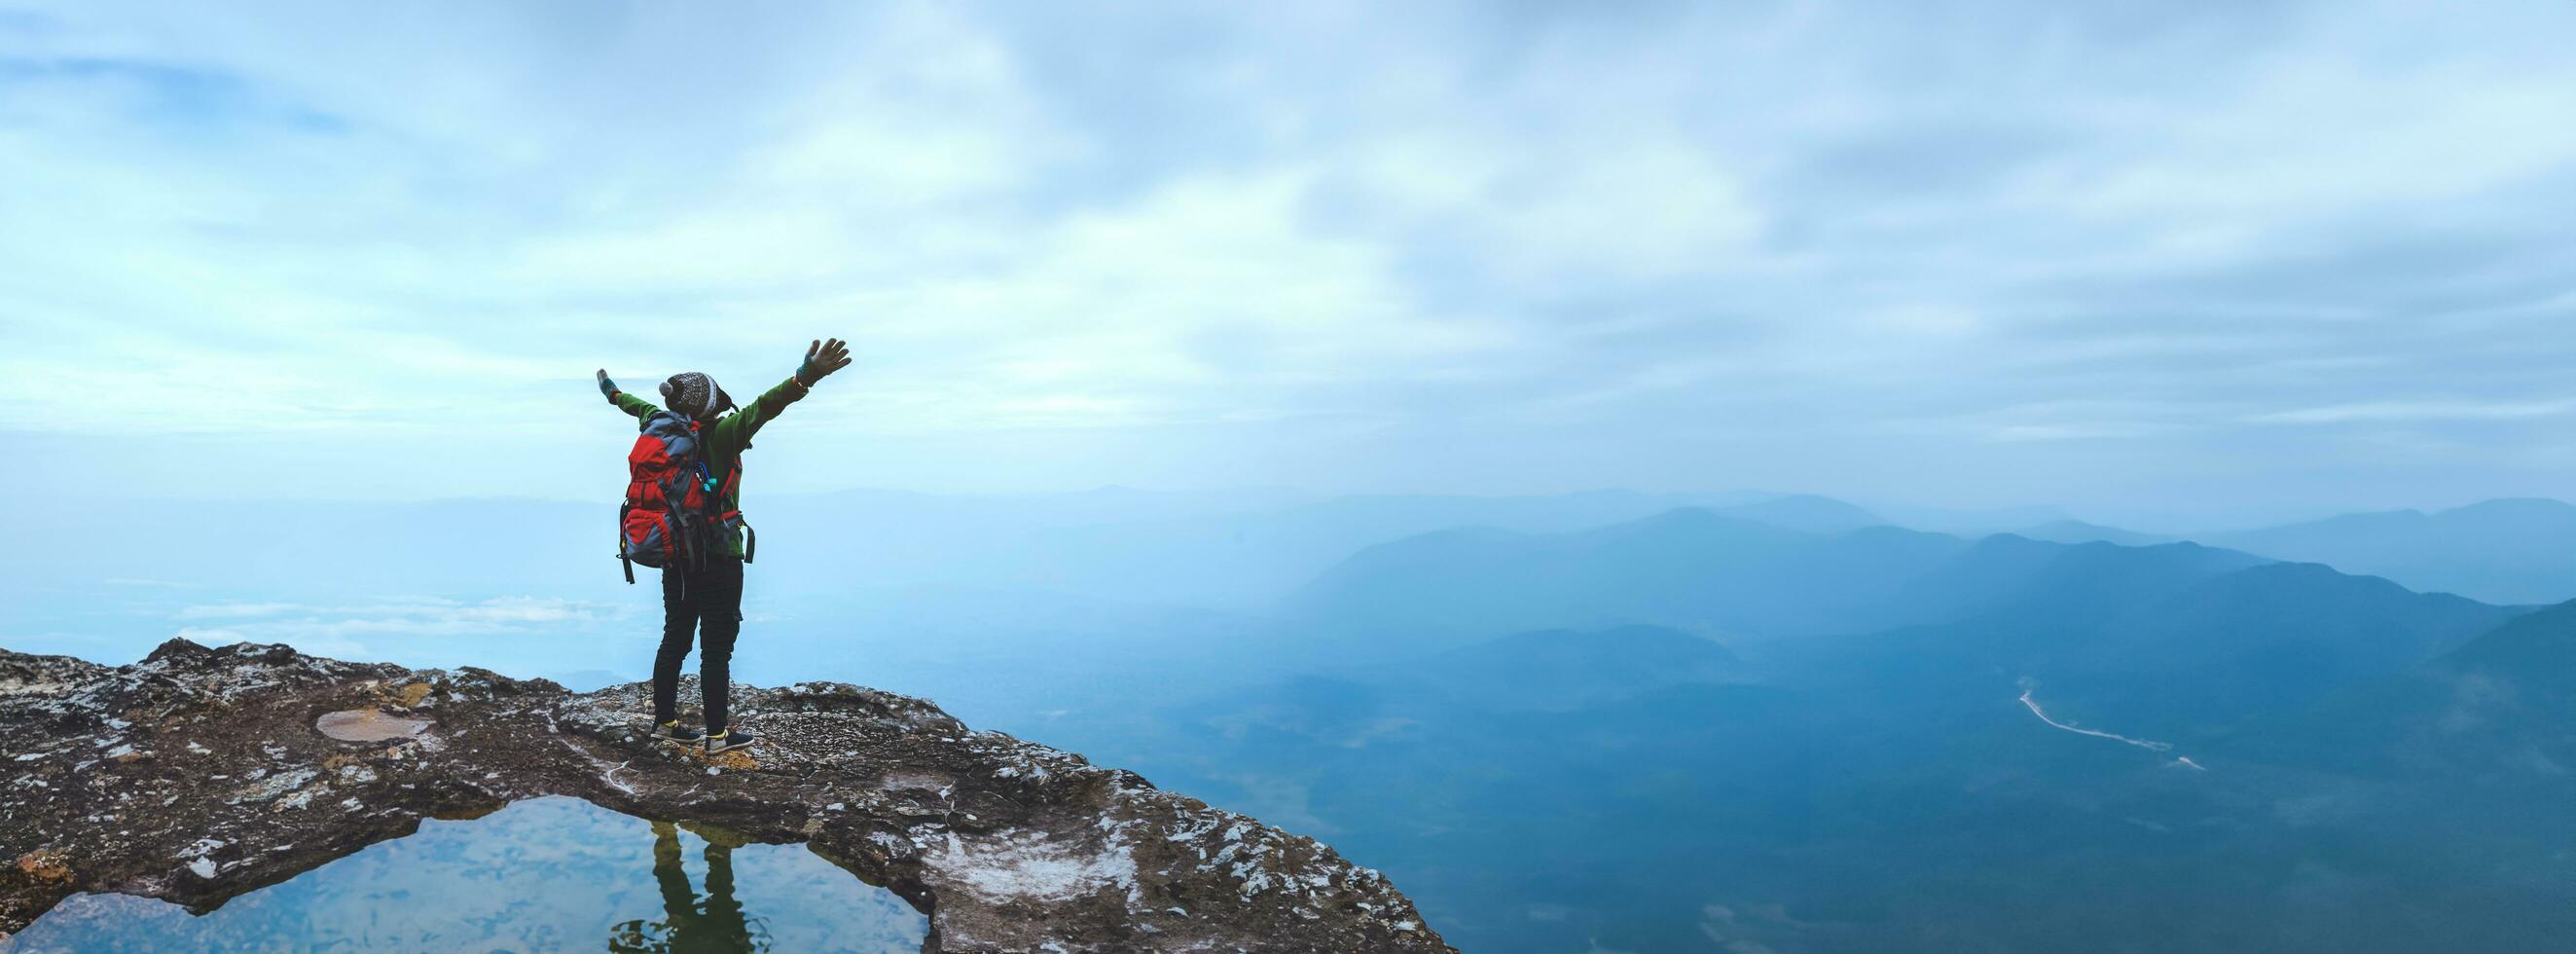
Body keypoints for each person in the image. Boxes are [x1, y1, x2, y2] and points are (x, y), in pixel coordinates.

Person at [595, 338, 852, 754]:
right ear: (711, 404)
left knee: (674, 637)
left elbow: (633, 404)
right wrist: (807, 376)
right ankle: (716, 736)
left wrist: (611, 392)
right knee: (716, 648)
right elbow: (766, 406)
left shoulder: (658, 423)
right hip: (719, 558)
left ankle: (665, 723)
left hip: (676, 556)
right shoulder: (724, 434)